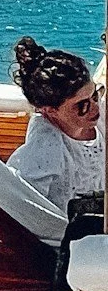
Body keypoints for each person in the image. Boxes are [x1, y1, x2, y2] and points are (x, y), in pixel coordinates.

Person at [9, 36, 104, 217]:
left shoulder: (97, 117)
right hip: (75, 238)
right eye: (82, 105)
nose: (95, 107)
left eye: (95, 95)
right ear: (50, 110)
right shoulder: (45, 149)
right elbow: (27, 212)